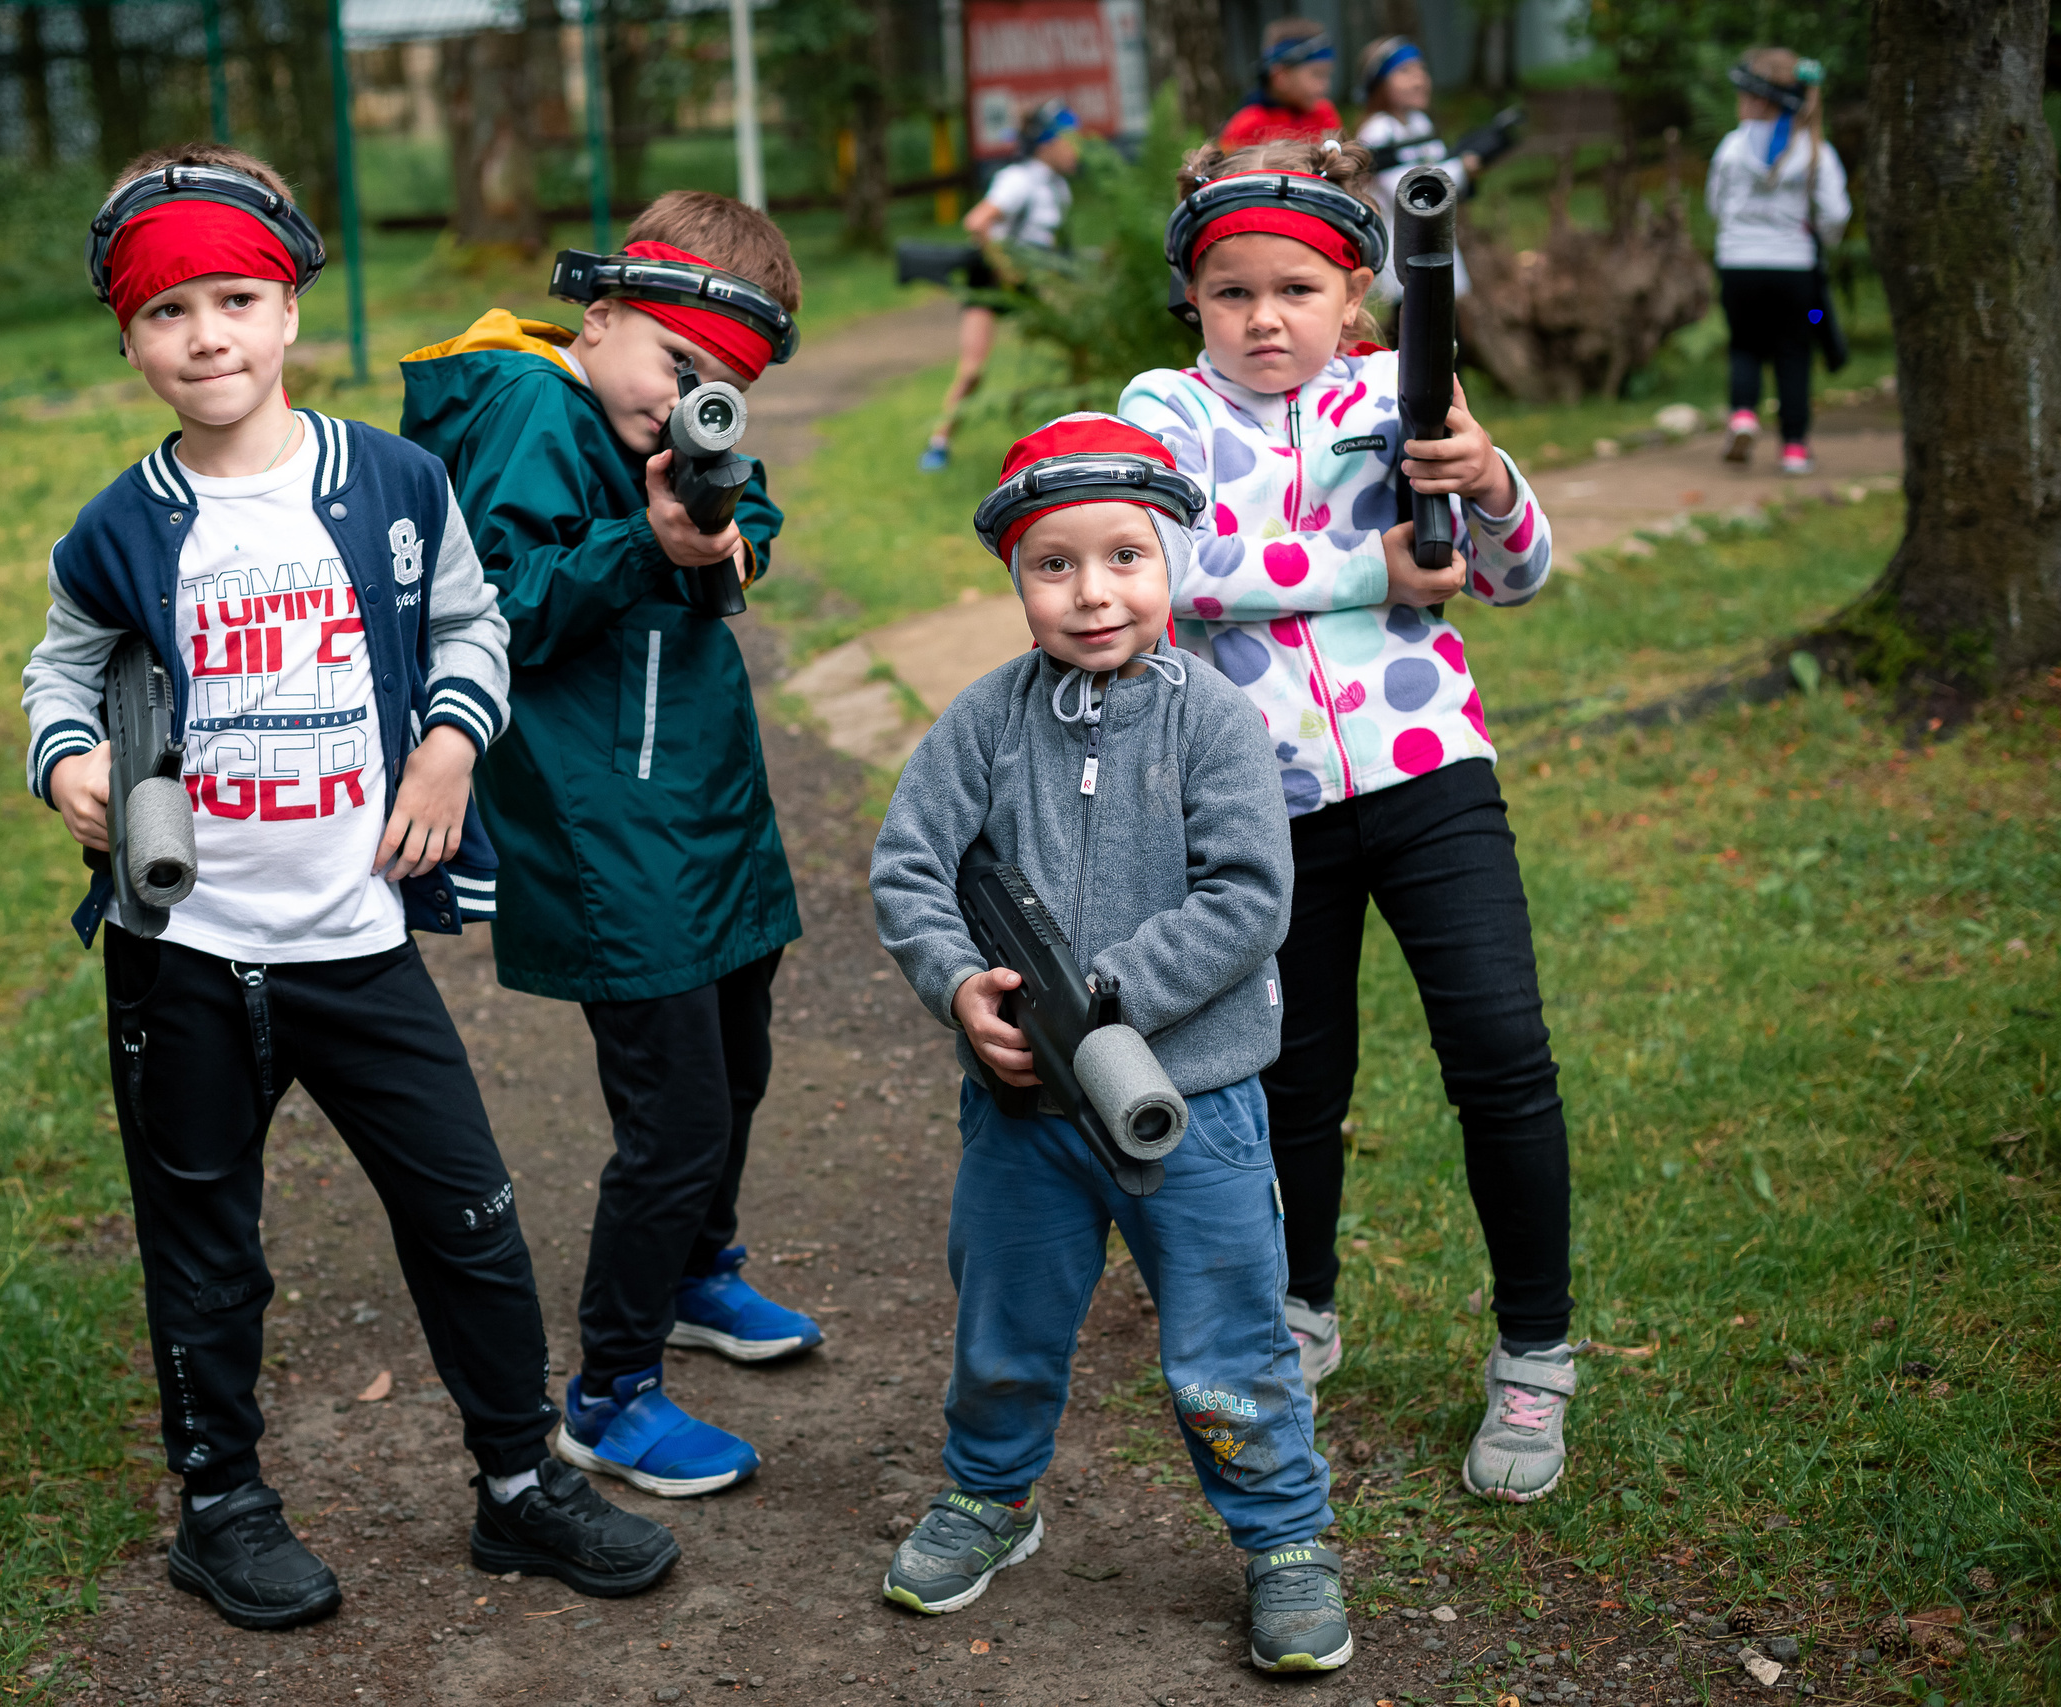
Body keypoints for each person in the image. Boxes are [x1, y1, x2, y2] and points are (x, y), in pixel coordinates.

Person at [21, 143, 682, 1629]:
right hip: (184, 951)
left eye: (236, 298)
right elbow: (62, 664)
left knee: (470, 1212)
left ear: (288, 312)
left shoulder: (390, 480)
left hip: (351, 939)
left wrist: (450, 748)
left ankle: (521, 1483)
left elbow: (472, 623)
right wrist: (67, 759)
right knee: (205, 1240)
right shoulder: (119, 525)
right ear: (128, 338)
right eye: (169, 310)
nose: (207, 335)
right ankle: (223, 1504)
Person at [1120, 137, 1581, 1506]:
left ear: (1353, 296)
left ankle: (1537, 1350)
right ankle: (1302, 1304)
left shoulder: (1401, 386)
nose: (1265, 318)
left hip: (1431, 769)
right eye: (1231, 291)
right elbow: (1171, 562)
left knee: (1500, 1052)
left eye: (1297, 289)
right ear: (1193, 303)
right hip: (1256, 799)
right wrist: (1360, 561)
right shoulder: (1166, 409)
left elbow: (1516, 572)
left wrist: (1490, 481)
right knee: (1291, 1077)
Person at [868, 413, 1350, 1673]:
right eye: (1054, 564)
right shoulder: (984, 719)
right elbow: (910, 869)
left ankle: (1284, 1540)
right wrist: (964, 989)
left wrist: (1108, 995)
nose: (1093, 593)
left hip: (1191, 1109)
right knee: (1005, 1322)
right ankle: (989, 1495)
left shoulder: (1215, 721)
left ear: (1173, 562)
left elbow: (1249, 896)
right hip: (1023, 1113)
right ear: (1015, 580)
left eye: (1126, 557)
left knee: (1227, 1338)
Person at [400, 191, 820, 1502]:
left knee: (738, 1058)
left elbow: (745, 526)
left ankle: (697, 1269)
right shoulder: (529, 410)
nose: (686, 400)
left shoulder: (648, 423)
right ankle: (611, 1392)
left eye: (721, 390)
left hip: (702, 812)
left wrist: (720, 530)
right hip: (607, 829)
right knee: (677, 1112)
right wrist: (645, 540)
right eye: (677, 369)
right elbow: (499, 608)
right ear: (600, 313)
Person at [1706, 48, 1849, 475]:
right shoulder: (1815, 150)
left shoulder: (1731, 146)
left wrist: (1738, 232)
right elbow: (1836, 213)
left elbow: (1716, 203)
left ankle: (1744, 415)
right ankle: (1794, 449)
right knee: (1794, 352)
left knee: (1744, 345)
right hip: (1795, 272)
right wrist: (1820, 237)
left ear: (1759, 100)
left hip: (1737, 266)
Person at [917, 101, 1081, 472]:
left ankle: (1074, 437)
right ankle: (939, 442)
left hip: (1035, 281)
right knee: (973, 369)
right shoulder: (1019, 179)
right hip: (995, 279)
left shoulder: (1058, 188)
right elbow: (977, 222)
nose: (1076, 148)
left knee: (1077, 349)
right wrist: (1006, 270)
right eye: (1068, 140)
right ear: (1046, 144)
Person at [1353, 35, 1479, 316]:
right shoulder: (1377, 131)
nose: (1419, 79)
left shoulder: (1420, 124)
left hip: (1432, 241)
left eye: (1421, 70)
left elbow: (1439, 173)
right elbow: (1409, 192)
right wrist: (1463, 168)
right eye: (1405, 71)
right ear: (1379, 84)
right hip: (1402, 253)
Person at [1217, 21, 1344, 152]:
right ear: (1280, 77)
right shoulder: (1247, 125)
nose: (1325, 86)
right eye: (1317, 74)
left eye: (1327, 75)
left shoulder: (1324, 113)